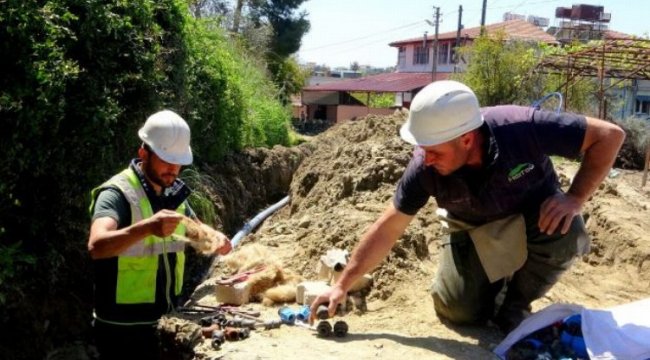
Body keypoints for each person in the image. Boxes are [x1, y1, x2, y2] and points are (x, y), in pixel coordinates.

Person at [310, 80, 625, 334]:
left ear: (466, 139)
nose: (426, 159)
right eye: (422, 149)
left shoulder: (521, 128)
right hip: (472, 227)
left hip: (533, 217)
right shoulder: (424, 168)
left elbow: (609, 136)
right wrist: (342, 285)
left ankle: (515, 304)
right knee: (457, 311)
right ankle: (488, 289)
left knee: (567, 228)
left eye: (434, 151)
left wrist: (574, 198)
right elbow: (390, 226)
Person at [87, 110, 231, 359]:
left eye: (178, 163)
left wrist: (215, 239)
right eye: (165, 160)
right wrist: (147, 227)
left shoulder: (172, 194)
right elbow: (97, 246)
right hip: (121, 332)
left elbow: (195, 230)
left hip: (166, 322)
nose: (173, 169)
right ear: (144, 153)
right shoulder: (117, 193)